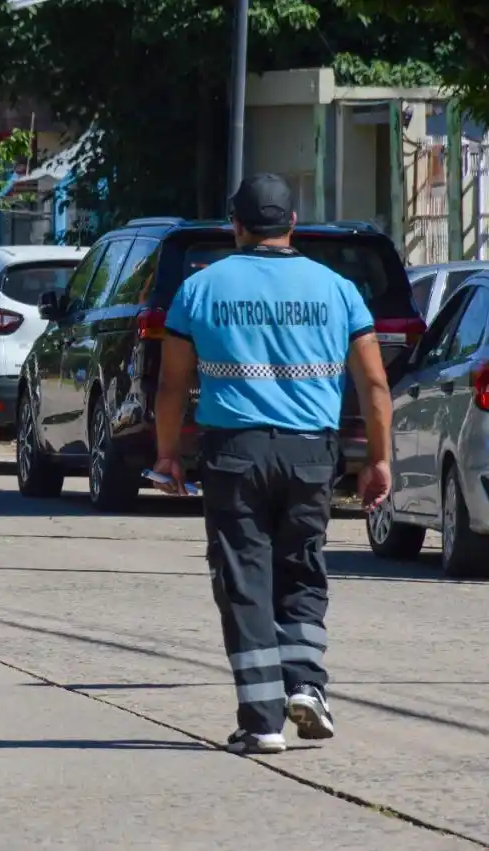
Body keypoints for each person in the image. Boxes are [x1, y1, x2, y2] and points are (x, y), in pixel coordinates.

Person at [152, 173, 393, 755]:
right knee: (302, 569)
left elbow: (170, 385)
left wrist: (167, 454)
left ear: (235, 225)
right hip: (312, 454)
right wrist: (379, 459)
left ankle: (262, 720)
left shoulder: (200, 288)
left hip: (234, 453)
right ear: (292, 224)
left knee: (245, 579)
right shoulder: (338, 289)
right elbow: (375, 385)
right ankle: (307, 684)